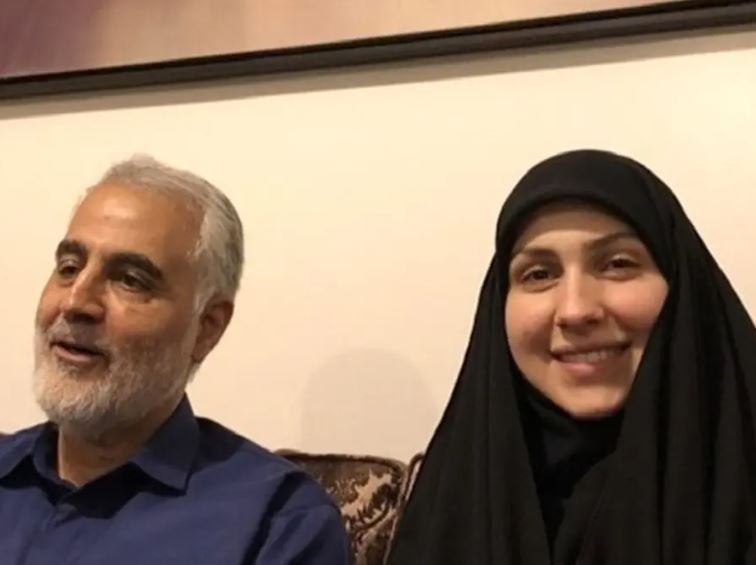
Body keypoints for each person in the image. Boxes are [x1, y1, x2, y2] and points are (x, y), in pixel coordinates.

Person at [387, 149, 756, 565]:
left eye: (617, 264)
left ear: (680, 285)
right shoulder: (453, 500)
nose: (576, 310)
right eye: (539, 274)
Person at [0, 156, 350, 565]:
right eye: (69, 267)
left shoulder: (279, 523)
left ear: (206, 328)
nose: (76, 301)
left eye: (130, 280)